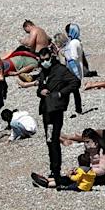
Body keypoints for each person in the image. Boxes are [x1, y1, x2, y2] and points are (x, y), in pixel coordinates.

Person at [36, 54, 78, 182]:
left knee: (54, 140)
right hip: (46, 110)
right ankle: (53, 170)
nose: (45, 62)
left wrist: (61, 93)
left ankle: (56, 171)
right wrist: (40, 91)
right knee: (50, 140)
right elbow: (40, 88)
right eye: (42, 60)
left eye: (46, 59)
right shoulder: (44, 72)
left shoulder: (60, 70)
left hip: (56, 110)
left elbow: (75, 82)